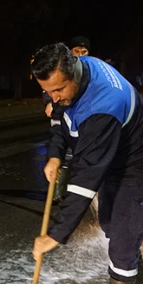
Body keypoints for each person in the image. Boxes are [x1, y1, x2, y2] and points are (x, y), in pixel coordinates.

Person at [31, 43, 143, 284]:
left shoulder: (104, 103)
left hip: (137, 163)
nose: (54, 98)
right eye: (47, 92)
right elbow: (64, 119)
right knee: (109, 223)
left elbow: (86, 178)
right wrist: (54, 155)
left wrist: (55, 234)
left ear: (74, 71)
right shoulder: (73, 76)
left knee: (122, 238)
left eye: (58, 89)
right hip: (110, 156)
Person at [45, 36, 91, 203]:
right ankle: (57, 192)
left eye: (84, 52)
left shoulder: (88, 73)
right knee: (62, 153)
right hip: (61, 117)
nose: (80, 55)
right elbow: (49, 88)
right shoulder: (62, 69)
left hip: (80, 121)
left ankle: (77, 193)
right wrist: (50, 102)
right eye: (77, 51)